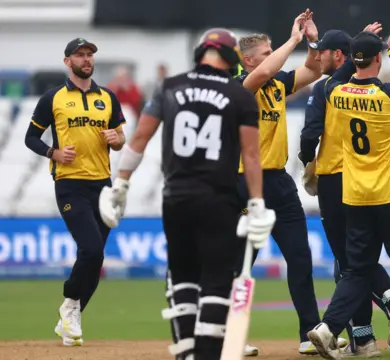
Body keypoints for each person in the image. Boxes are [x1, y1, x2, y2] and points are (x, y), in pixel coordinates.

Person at [98, 28, 277, 360]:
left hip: (176, 197)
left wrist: (120, 184)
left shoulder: (169, 87)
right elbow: (251, 156)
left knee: (181, 277)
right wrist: (256, 203)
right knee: (216, 280)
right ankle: (206, 354)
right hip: (218, 199)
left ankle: (185, 353)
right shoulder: (240, 96)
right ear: (230, 58)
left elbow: (139, 140)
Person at [306, 21, 390, 360]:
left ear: (353, 59)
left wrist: (360, 48)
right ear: (378, 60)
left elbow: (340, 75)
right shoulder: (387, 95)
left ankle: (327, 328)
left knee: (356, 269)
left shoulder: (334, 93)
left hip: (355, 197)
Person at [233, 10, 347, 356]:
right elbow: (265, 71)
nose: (271, 60)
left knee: (300, 257)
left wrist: (313, 40)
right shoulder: (239, 84)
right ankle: (232, 339)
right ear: (247, 59)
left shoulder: (275, 84)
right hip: (244, 183)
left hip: (279, 182)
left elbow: (313, 70)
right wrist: (293, 40)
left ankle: (309, 333)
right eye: (266, 53)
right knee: (240, 267)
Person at [298, 28, 390, 356]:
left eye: (321, 52)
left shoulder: (329, 89)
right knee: (352, 261)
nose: (317, 58)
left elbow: (309, 134)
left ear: (339, 55)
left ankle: (388, 301)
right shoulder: (364, 88)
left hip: (334, 179)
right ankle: (364, 339)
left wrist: (308, 164)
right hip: (367, 178)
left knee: (350, 261)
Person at [24, 38, 127, 347]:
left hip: (103, 185)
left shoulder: (108, 97)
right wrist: (53, 153)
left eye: (89, 55)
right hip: (70, 185)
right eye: (80, 55)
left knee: (96, 259)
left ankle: (71, 315)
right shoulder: (52, 98)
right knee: (91, 249)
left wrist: (116, 138)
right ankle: (70, 303)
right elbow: (31, 137)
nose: (86, 59)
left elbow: (121, 138)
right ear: (67, 61)